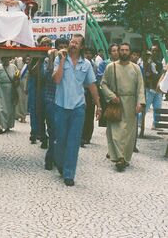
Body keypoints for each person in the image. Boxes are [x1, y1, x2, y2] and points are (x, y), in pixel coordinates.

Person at [52, 34, 102, 186]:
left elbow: (92, 85)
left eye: (77, 43)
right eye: (72, 41)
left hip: (78, 108)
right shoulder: (59, 59)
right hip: (61, 105)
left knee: (73, 142)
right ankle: (60, 164)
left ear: (81, 47)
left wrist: (99, 105)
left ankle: (69, 174)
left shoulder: (86, 64)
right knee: (60, 140)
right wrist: (61, 60)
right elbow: (56, 79)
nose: (73, 44)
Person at [100, 43, 145, 172]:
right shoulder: (111, 67)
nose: (124, 52)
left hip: (131, 102)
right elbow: (103, 84)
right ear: (118, 51)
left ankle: (124, 158)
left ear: (130, 52)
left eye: (126, 50)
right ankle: (118, 158)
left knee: (128, 132)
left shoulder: (136, 68)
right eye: (122, 50)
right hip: (116, 102)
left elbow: (140, 87)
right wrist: (111, 96)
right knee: (115, 132)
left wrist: (140, 103)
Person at [43, 37, 69, 171]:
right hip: (51, 99)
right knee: (53, 131)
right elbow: (47, 76)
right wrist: (53, 61)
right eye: (61, 46)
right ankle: (50, 158)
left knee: (62, 133)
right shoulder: (49, 59)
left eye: (65, 46)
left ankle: (59, 158)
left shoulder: (70, 61)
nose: (63, 49)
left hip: (64, 102)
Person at [0, 57, 19, 134]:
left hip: (11, 89)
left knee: (10, 108)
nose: (6, 61)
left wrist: (17, 80)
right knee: (1, 107)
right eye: (4, 59)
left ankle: (8, 125)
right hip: (1, 90)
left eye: (7, 59)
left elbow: (18, 77)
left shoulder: (14, 67)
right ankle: (0, 126)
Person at [15, 56, 30, 123]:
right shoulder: (18, 61)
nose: (27, 60)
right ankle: (17, 115)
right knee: (18, 100)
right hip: (19, 83)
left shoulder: (30, 64)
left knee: (24, 100)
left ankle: (23, 116)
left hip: (26, 84)